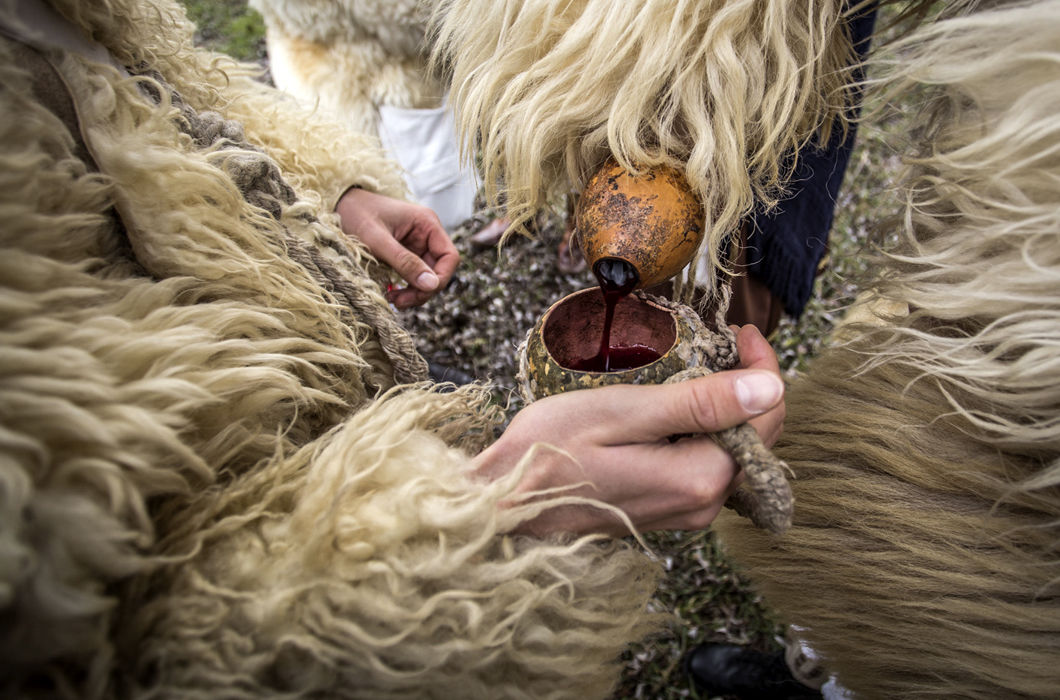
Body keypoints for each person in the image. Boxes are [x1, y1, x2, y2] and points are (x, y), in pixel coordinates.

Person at [0, 0, 785, 696]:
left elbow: (128, 80)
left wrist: (319, 186)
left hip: (292, 377)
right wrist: (486, 516)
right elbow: (109, 654)